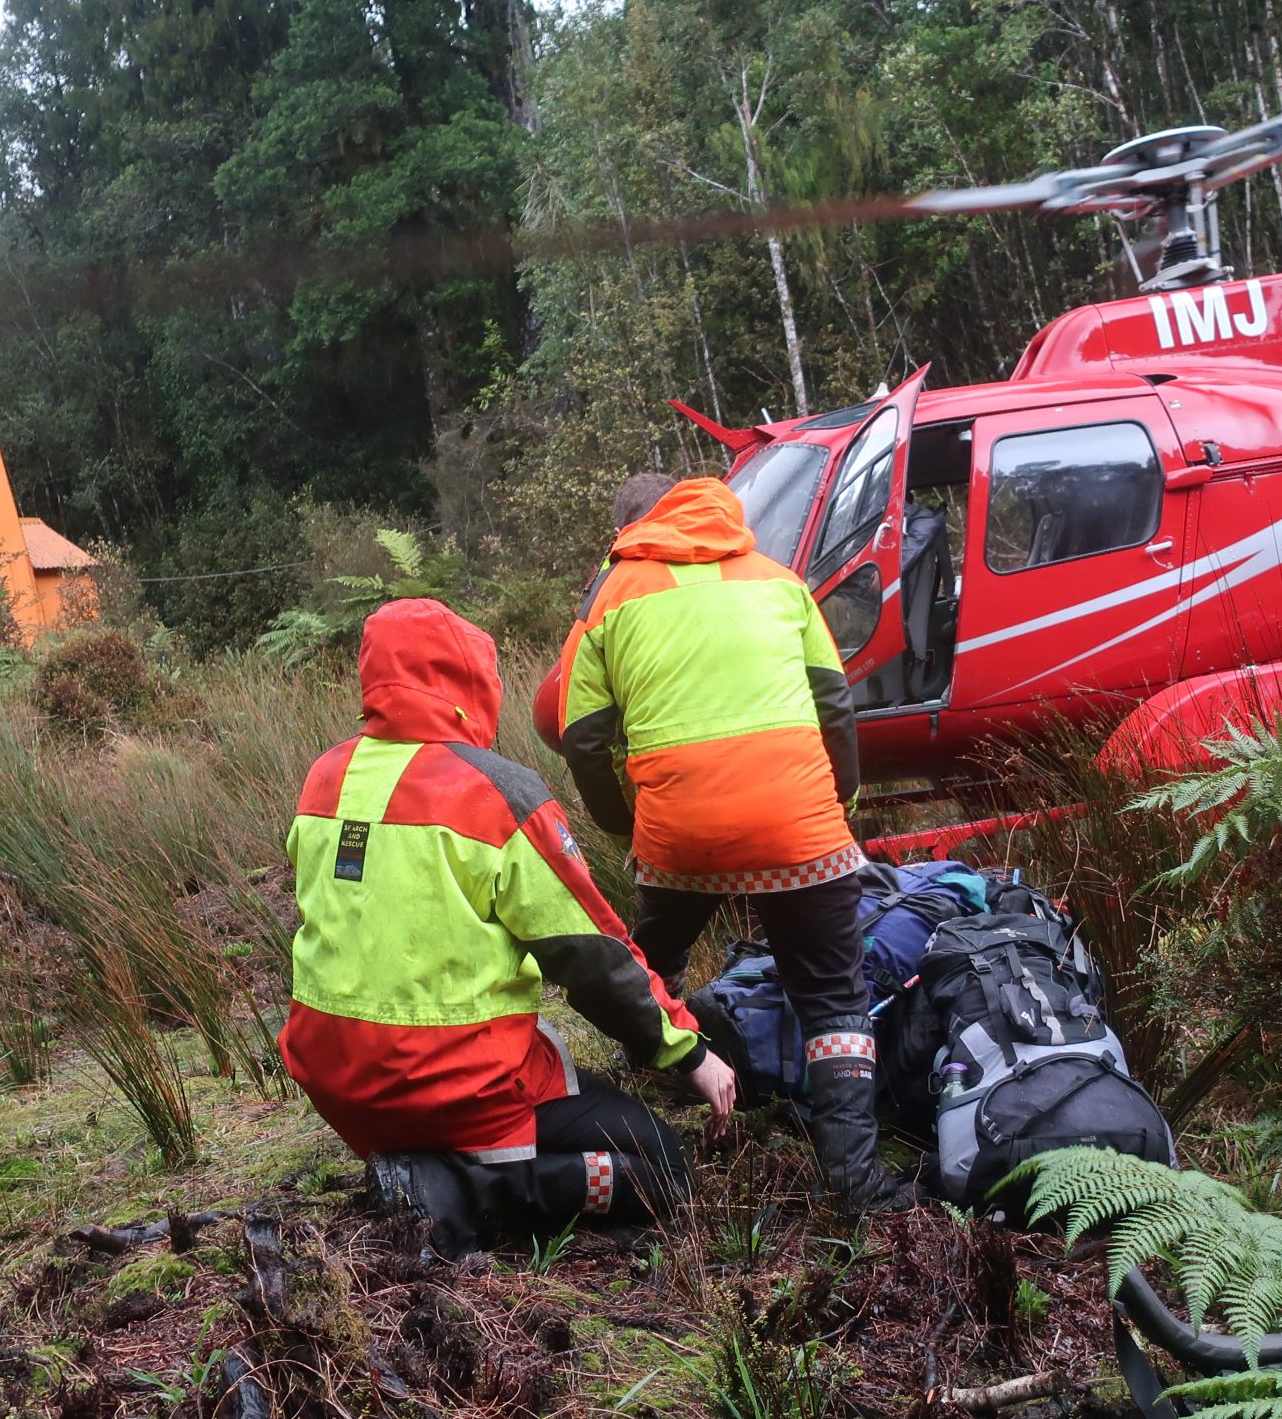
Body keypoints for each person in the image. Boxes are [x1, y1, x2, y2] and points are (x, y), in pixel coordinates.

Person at [281, 598, 737, 1259]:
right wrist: (690, 1053)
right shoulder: (494, 790)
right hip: (458, 1087)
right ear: (471, 682)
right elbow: (593, 956)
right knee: (661, 1167)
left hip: (340, 1087)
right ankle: (472, 1191)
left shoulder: (323, 778)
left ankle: (422, 1167)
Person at [553, 473, 913, 1214]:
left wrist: (627, 821)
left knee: (648, 956)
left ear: (628, 532)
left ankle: (655, 1063)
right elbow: (835, 702)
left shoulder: (609, 596)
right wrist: (836, 803)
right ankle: (851, 1179)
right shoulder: (779, 580)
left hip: (680, 828)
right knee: (834, 995)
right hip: (802, 825)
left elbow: (582, 735)